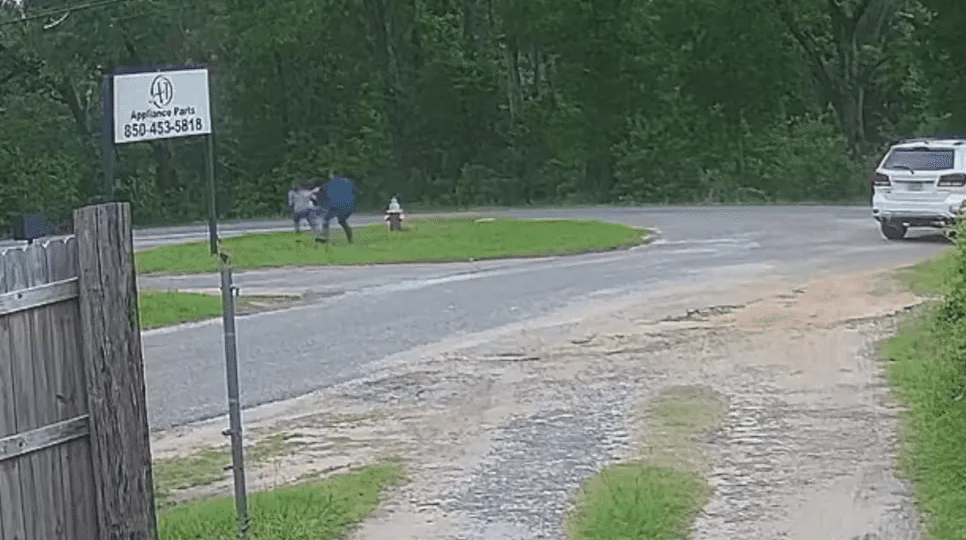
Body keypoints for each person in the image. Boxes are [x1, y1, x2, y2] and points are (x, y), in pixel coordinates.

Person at [315, 172, 360, 243]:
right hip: (349, 205)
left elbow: (320, 191)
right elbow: (356, 191)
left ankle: (325, 238)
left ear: (333, 175)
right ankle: (350, 240)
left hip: (336, 205)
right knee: (342, 221)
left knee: (326, 220)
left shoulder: (329, 183)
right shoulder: (348, 182)